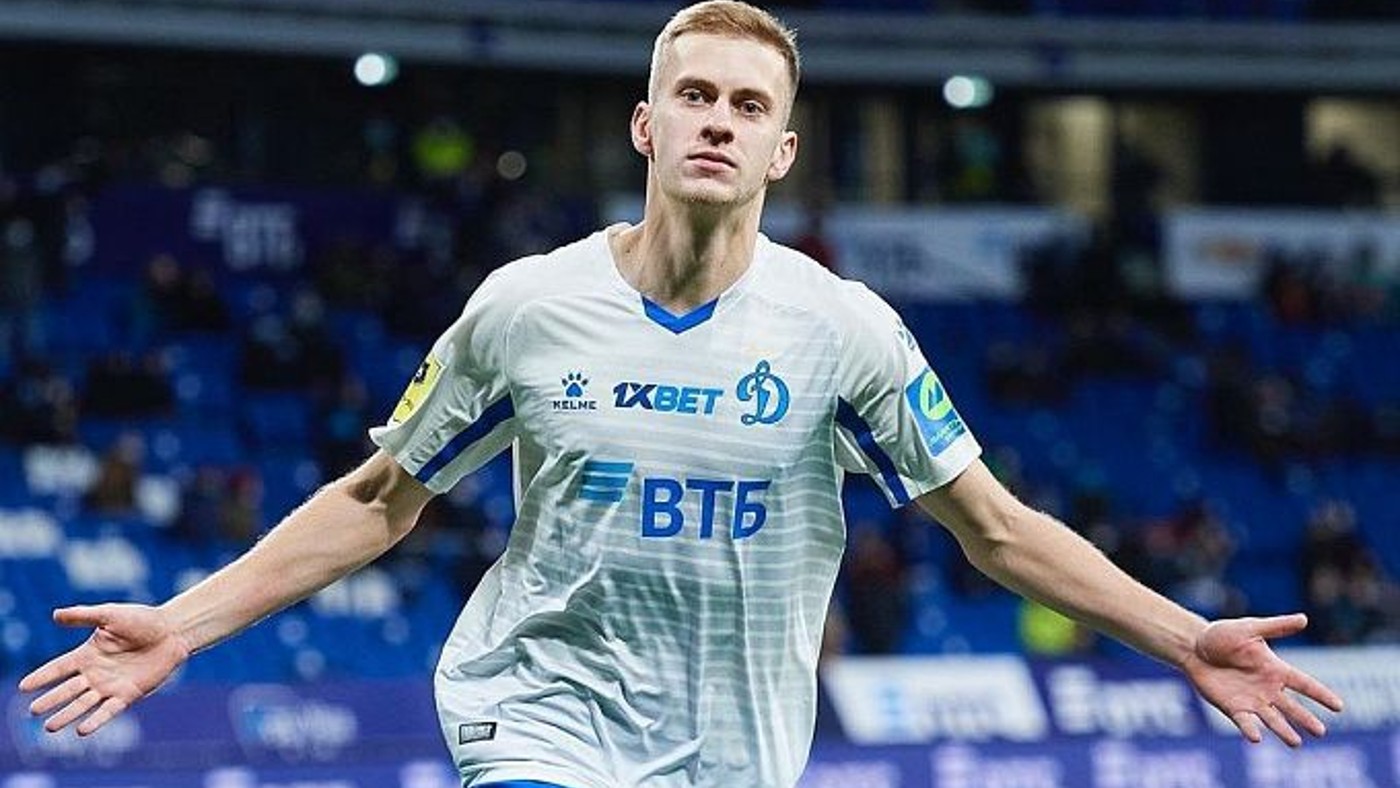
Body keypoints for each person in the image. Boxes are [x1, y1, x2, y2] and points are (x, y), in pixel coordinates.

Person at [19, 3, 1343, 787]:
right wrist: (182, 626)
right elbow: (377, 500)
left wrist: (1183, 638)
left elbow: (993, 530)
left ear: (782, 149)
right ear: (647, 127)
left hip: (737, 751)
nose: (718, 118)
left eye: (747, 105)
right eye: (693, 95)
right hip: (536, 717)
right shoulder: (527, 307)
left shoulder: (845, 333)